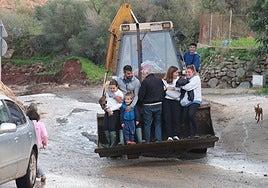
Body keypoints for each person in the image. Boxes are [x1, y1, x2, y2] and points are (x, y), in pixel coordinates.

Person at [116, 65, 142, 144]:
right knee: (120, 119)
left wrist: (131, 106)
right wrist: (115, 97)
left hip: (132, 102)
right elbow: (111, 89)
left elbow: (136, 95)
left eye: (131, 73)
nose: (130, 75)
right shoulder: (118, 80)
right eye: (128, 74)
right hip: (121, 103)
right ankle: (121, 141)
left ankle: (138, 140)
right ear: (124, 73)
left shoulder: (136, 82)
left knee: (135, 119)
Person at [138, 68, 165, 143]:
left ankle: (147, 140)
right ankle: (158, 139)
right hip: (159, 104)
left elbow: (141, 95)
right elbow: (163, 90)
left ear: (146, 74)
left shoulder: (145, 82)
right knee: (158, 122)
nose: (142, 76)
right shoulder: (159, 80)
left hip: (148, 105)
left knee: (147, 123)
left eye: (143, 74)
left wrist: (141, 103)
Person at [26, 108, 48, 185]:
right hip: (38, 145)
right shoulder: (41, 124)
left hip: (28, 145)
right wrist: (44, 143)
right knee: (35, 159)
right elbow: (45, 135)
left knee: (34, 161)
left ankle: (42, 174)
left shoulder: (28, 125)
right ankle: (38, 174)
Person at [180, 65, 202, 139]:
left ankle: (197, 132)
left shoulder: (196, 79)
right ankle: (188, 135)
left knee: (191, 114)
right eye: (186, 72)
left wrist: (181, 86)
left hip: (195, 100)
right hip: (186, 102)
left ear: (193, 72)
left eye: (189, 72)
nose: (187, 73)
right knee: (185, 118)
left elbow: (188, 87)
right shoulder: (186, 79)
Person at [162, 66, 182, 141]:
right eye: (176, 72)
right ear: (171, 73)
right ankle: (169, 135)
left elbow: (179, 89)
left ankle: (176, 134)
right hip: (167, 101)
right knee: (168, 118)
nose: (177, 74)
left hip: (176, 101)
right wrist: (170, 89)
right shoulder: (164, 80)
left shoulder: (179, 80)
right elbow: (164, 90)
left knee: (176, 118)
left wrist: (169, 88)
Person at [103, 79, 124, 147]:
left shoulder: (119, 93)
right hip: (108, 110)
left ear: (117, 87)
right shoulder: (108, 93)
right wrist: (107, 108)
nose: (112, 90)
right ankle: (108, 142)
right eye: (111, 88)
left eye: (113, 88)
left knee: (112, 127)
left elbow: (120, 104)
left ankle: (113, 143)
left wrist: (111, 109)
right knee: (105, 126)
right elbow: (106, 101)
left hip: (115, 111)